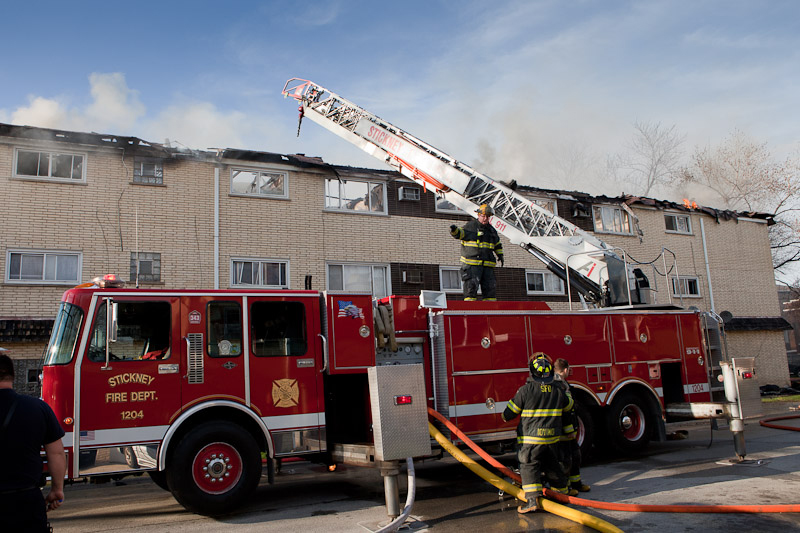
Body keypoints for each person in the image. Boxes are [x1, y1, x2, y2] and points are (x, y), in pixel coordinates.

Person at [0, 353, 66, 532]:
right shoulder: (38, 408)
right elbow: (57, 453)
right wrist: (57, 489)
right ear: (12, 376)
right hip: (27, 502)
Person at [501, 353, 574, 514]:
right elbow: (568, 406)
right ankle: (561, 492)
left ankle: (532, 500)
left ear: (532, 372)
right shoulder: (557, 390)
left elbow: (509, 414)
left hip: (531, 440)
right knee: (552, 464)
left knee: (529, 466)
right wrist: (565, 391)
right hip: (552, 438)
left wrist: (505, 413)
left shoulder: (525, 390)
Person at [449, 204, 504, 301]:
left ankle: (489, 310)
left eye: (487, 216)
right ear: (478, 215)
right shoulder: (471, 227)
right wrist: (454, 230)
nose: (485, 218)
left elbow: (497, 244)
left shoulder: (491, 230)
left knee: (490, 289)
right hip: (472, 264)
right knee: (471, 288)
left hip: (487, 264)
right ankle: (470, 309)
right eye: (483, 216)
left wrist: (500, 255)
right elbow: (460, 234)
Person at [553, 358, 591, 493]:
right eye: (569, 369)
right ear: (565, 370)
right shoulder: (558, 385)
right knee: (565, 460)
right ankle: (567, 487)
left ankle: (576, 484)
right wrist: (569, 429)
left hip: (568, 429)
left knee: (575, 457)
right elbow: (564, 411)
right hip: (563, 431)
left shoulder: (562, 383)